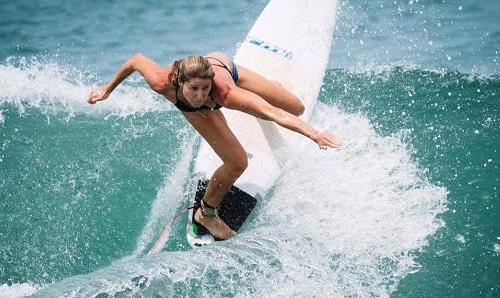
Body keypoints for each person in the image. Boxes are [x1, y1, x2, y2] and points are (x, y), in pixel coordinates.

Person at [87, 52, 341, 240]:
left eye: (204, 89)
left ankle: (258, 95)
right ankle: (206, 214)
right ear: (179, 83)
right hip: (200, 112)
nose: (198, 95)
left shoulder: (224, 93)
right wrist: (107, 89)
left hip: (226, 67)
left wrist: (314, 133)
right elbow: (136, 60)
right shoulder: (161, 82)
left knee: (296, 107)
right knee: (238, 162)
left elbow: (274, 112)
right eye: (193, 89)